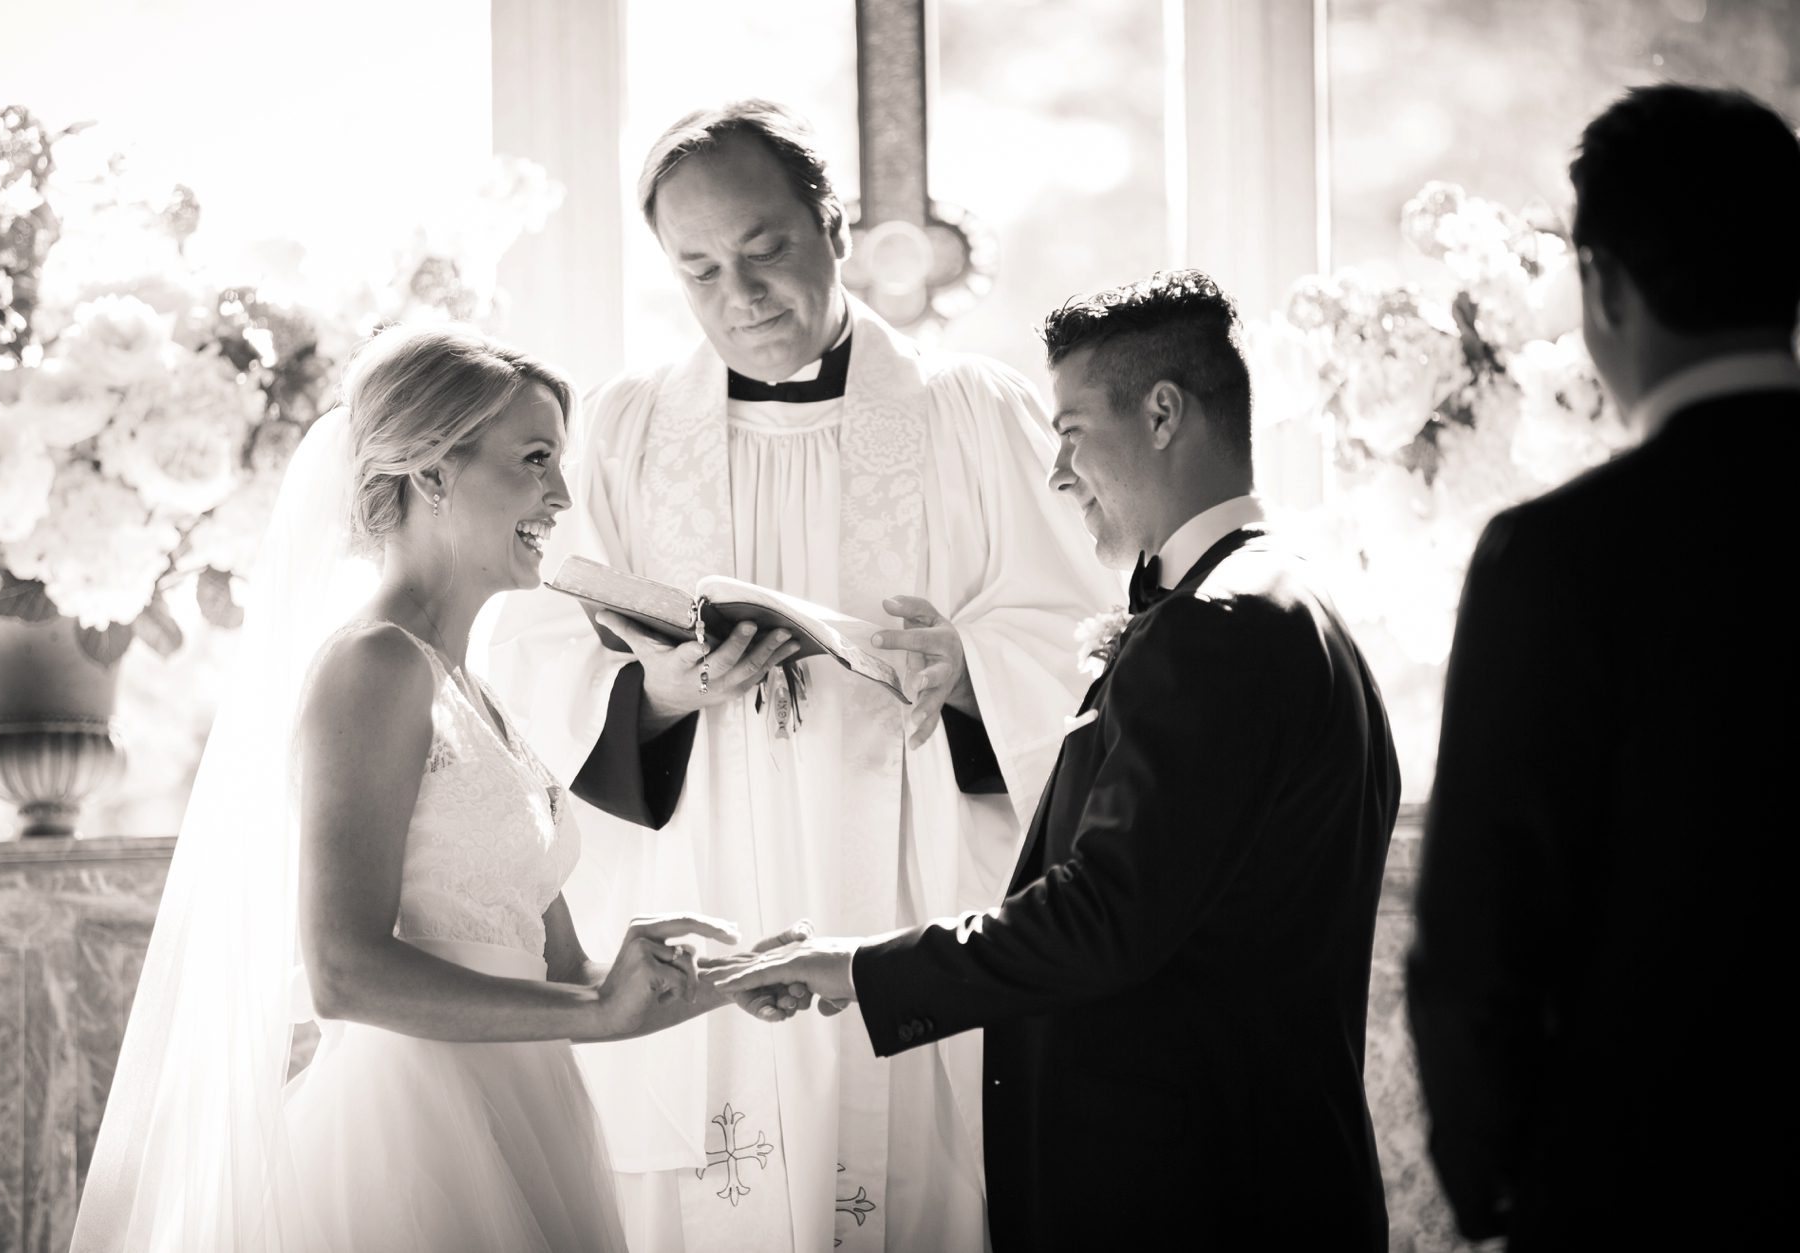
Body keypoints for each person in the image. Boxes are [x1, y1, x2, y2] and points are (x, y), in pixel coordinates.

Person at [489, 100, 1116, 1253]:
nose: (740, 293)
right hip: (707, 887)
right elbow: (525, 648)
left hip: (917, 889)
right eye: (698, 270)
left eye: (765, 249)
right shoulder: (625, 428)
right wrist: (658, 695)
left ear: (832, 226)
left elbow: (1089, 633)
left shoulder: (971, 413)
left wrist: (967, 670)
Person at [711, 270, 1401, 1252]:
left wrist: (859, 968)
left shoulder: (1214, 629)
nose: (1058, 473)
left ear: (1161, 413)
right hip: (1259, 1165)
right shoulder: (1289, 603)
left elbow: (1102, 913)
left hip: (1196, 1192)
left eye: (1072, 432)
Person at [72, 325, 767, 1252]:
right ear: (434, 472)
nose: (561, 496)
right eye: (535, 459)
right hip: (413, 1136)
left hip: (523, 1104)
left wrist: (738, 975)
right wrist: (597, 1015)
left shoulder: (473, 690)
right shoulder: (373, 665)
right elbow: (344, 970)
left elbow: (564, 970)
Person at [1407, 83, 1800, 1250]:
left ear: (1605, 285)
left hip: (1639, 1186)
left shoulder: (1553, 557)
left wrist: (1498, 1193)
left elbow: (1476, 933)